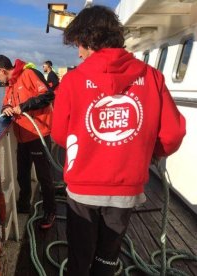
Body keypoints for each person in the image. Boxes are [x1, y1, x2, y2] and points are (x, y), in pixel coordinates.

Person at [51, 5, 186, 276]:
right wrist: (147, 151)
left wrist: (88, 147)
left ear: (89, 40)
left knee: (79, 256)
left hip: (83, 188)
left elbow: (58, 133)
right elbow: (172, 135)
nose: (78, 52)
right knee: (107, 258)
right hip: (126, 189)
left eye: (79, 44)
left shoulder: (73, 80)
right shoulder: (152, 77)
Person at [0, 54, 56, 229]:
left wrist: (24, 106)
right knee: (22, 174)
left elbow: (48, 96)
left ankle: (50, 211)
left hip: (37, 135)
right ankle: (23, 204)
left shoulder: (29, 74)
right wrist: (6, 109)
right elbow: (5, 104)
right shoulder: (10, 85)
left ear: (3, 71)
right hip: (22, 137)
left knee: (44, 176)